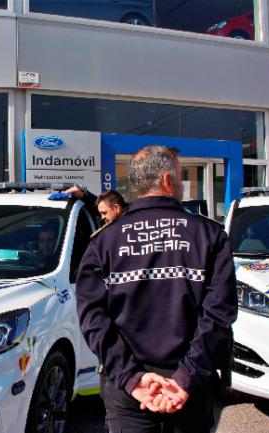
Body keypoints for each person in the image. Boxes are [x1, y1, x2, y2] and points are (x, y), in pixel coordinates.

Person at [76, 145, 237, 433]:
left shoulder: (104, 241)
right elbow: (218, 316)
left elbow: (92, 318)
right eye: (179, 176)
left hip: (128, 389)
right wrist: (186, 377)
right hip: (191, 387)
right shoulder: (209, 235)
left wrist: (131, 378)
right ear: (166, 181)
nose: (181, 185)